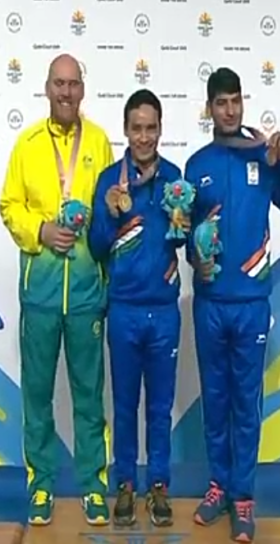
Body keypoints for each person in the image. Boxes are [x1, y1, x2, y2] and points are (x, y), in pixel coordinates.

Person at [184, 68, 280, 543]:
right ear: (209, 109)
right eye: (221, 103)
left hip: (252, 303)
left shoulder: (266, 155)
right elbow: (183, 230)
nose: (230, 110)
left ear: (243, 102)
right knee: (215, 401)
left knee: (245, 403)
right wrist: (192, 248)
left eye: (236, 101)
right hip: (211, 302)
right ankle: (218, 487)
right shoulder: (197, 166)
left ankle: (244, 496)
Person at [0, 54, 114, 526]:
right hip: (41, 293)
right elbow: (9, 205)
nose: (66, 93)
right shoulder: (26, 144)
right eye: (58, 84)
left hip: (87, 291)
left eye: (73, 84)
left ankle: (93, 485)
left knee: (89, 394)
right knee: (38, 395)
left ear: (83, 90)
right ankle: (41, 485)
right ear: (46, 89)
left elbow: (111, 212)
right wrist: (40, 231)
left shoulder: (101, 141)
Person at [88, 89, 186, 528]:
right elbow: (94, 245)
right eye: (136, 128)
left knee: (160, 407)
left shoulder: (175, 179)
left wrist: (184, 224)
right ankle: (125, 484)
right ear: (125, 131)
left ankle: (159, 485)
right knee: (125, 405)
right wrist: (109, 215)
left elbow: (181, 241)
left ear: (160, 130)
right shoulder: (110, 180)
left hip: (164, 311)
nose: (144, 137)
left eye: (151, 128)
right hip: (124, 309)